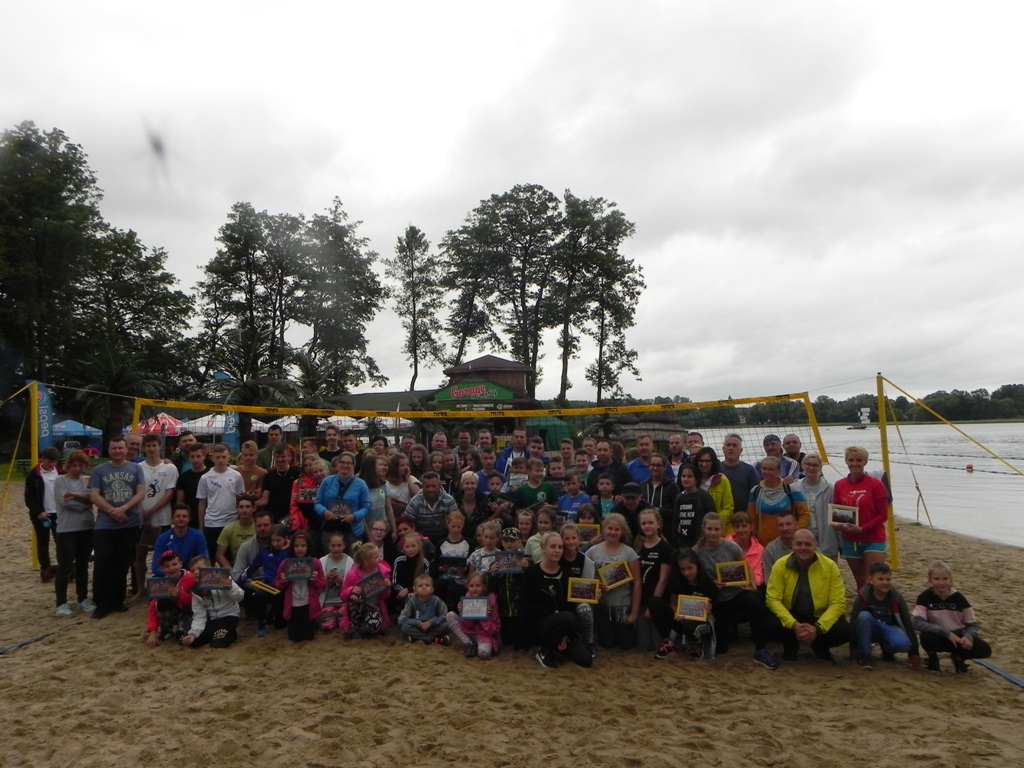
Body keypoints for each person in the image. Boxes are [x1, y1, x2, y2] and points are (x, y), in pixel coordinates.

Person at [695, 513, 779, 669]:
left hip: (735, 594)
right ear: (703, 529)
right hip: (716, 600)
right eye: (709, 529)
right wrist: (712, 584)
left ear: (722, 530)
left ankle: (760, 649)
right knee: (721, 648)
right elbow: (695, 578)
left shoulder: (731, 546)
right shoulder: (698, 551)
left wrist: (752, 584)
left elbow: (746, 566)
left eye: (716, 529)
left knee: (754, 601)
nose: (713, 532)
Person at [765, 528, 851, 663]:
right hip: (792, 615)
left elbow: (838, 603)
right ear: (792, 545)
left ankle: (819, 645)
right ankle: (791, 646)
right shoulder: (780, 565)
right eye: (799, 544)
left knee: (844, 630)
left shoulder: (830, 566)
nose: (803, 548)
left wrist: (818, 628)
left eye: (808, 544)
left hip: (819, 615)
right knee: (769, 624)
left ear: (816, 546)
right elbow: (772, 599)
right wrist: (793, 624)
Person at [89, 436, 146, 619]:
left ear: (126, 449)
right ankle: (102, 602)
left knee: (122, 562)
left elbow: (140, 492)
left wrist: (124, 508)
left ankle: (117, 599)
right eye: (114, 448)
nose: (118, 451)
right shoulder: (100, 470)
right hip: (106, 524)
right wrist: (112, 510)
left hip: (129, 522)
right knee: (102, 562)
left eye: (121, 448)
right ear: (109, 450)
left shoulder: (136, 468)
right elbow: (94, 495)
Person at [520, 532, 593, 668]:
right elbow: (526, 606)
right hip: (538, 625)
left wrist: (564, 632)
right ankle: (545, 650)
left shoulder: (567, 574)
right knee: (568, 617)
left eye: (560, 547)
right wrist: (556, 615)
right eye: (553, 546)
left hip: (564, 625)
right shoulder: (531, 573)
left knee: (585, 659)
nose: (557, 550)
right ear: (543, 548)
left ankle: (556, 645)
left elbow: (570, 605)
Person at [911, 561, 992, 673]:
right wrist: (944, 632)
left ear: (950, 579)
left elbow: (972, 625)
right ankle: (933, 658)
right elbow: (916, 622)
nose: (941, 583)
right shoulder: (924, 597)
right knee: (926, 637)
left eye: (945, 579)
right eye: (936, 579)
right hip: (937, 635)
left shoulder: (959, 599)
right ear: (930, 580)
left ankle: (959, 657)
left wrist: (968, 637)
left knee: (985, 649)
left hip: (957, 636)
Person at [832, 446, 889, 587]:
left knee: (872, 580)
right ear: (846, 461)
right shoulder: (839, 485)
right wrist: (839, 525)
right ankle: (862, 601)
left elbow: (883, 515)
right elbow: (838, 513)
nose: (855, 463)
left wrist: (863, 528)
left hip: (873, 538)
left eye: (859, 460)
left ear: (865, 462)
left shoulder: (876, 484)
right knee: (860, 582)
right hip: (850, 539)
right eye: (851, 460)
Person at [586, 513, 642, 650]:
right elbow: (585, 579)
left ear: (622, 531)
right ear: (604, 529)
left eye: (617, 529)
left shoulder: (629, 553)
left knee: (626, 644)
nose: (613, 532)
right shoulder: (592, 552)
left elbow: (637, 584)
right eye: (610, 528)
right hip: (602, 605)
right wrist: (596, 585)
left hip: (622, 605)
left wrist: (634, 612)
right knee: (607, 643)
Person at [850, 562, 920, 669]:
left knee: (903, 644)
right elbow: (853, 619)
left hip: (889, 628)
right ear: (871, 580)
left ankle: (887, 650)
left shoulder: (896, 597)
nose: (885, 582)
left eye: (888, 579)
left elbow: (907, 622)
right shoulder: (864, 595)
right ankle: (865, 655)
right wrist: (853, 647)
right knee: (863, 616)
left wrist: (914, 653)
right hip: (869, 628)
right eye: (880, 579)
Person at [655, 548, 719, 660]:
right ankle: (667, 642)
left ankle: (695, 644)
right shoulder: (677, 581)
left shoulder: (708, 584)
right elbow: (672, 603)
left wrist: (709, 608)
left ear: (697, 565)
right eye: (682, 569)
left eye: (690, 568)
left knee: (690, 624)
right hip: (681, 620)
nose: (686, 573)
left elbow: (714, 608)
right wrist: (676, 612)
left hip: (702, 623)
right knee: (655, 602)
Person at [52, 450, 95, 615]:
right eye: (74, 465)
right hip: (67, 529)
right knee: (65, 566)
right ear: (68, 465)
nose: (77, 468)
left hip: (86, 528)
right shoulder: (60, 480)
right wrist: (85, 504)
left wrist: (81, 497)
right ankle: (61, 602)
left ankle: (82, 598)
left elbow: (94, 496)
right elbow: (65, 501)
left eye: (81, 465)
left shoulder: (87, 481)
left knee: (83, 566)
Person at [181, 555, 244, 649]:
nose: (196, 572)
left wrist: (230, 588)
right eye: (193, 571)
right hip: (212, 619)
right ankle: (212, 634)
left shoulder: (222, 578)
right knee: (194, 642)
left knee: (218, 643)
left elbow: (240, 597)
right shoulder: (195, 590)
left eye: (199, 568)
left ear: (210, 568)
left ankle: (234, 632)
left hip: (229, 615)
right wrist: (193, 634)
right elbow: (199, 615)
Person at [273, 530, 326, 643]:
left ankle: (315, 624)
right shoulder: (285, 563)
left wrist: (315, 580)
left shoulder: (315, 563)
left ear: (308, 546)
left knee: (308, 637)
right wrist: (283, 580)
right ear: (292, 547)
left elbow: (323, 584)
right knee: (294, 637)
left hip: (309, 606)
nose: (299, 549)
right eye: (296, 546)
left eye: (303, 545)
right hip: (292, 607)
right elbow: (277, 584)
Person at [196, 443, 246, 557]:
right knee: (211, 556)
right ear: (212, 458)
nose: (221, 460)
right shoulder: (205, 478)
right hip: (212, 522)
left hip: (231, 521)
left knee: (230, 556)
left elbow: (240, 499)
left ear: (229, 457)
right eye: (218, 457)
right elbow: (202, 503)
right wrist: (201, 526)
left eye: (224, 457)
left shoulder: (236, 476)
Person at [634, 509, 673, 652]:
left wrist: (652, 607)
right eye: (643, 523)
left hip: (657, 602)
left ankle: (671, 636)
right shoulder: (637, 546)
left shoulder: (665, 547)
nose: (647, 526)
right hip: (641, 601)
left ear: (659, 524)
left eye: (650, 522)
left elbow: (663, 580)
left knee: (657, 644)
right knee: (644, 644)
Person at [747, 456, 809, 546]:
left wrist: (796, 531)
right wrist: (753, 537)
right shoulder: (755, 491)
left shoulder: (790, 490)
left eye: (771, 469)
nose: (767, 472)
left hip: (788, 542)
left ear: (779, 471)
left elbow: (805, 514)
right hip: (763, 543)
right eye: (764, 468)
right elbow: (752, 518)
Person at [243, 523, 290, 636]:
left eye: (278, 540)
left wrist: (284, 552)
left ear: (286, 539)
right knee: (258, 595)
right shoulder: (264, 553)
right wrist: (238, 581)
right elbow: (251, 568)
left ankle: (272, 614)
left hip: (283, 589)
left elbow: (284, 565)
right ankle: (261, 623)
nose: (275, 543)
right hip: (268, 587)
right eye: (273, 540)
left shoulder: (290, 553)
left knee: (280, 625)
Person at [793, 452, 839, 562]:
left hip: (825, 536)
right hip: (803, 534)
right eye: (808, 464)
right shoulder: (794, 487)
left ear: (820, 468)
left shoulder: (829, 488)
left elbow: (836, 514)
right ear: (803, 466)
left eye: (815, 465)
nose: (811, 467)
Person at [25, 446, 62, 582]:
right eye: (49, 462)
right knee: (43, 542)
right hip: (42, 514)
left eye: (54, 462)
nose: (52, 465)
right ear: (42, 459)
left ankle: (65, 568)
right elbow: (29, 497)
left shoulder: (60, 472)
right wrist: (38, 511)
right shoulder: (33, 475)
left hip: (59, 513)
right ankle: (45, 568)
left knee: (61, 541)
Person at [340, 543, 392, 638]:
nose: (379, 559)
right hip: (358, 609)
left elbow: (385, 597)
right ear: (366, 561)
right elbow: (342, 595)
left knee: (374, 626)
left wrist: (387, 587)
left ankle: (365, 628)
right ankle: (355, 627)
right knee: (355, 597)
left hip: (374, 608)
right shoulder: (352, 574)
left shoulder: (383, 572)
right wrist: (351, 589)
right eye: (376, 557)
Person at [143, 551, 194, 646]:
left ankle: (182, 630)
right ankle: (166, 630)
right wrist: (152, 632)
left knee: (181, 636)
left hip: (189, 613)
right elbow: (153, 607)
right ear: (162, 569)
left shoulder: (191, 578)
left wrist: (181, 595)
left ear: (180, 564)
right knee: (161, 602)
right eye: (167, 566)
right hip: (173, 613)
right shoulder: (161, 584)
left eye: (174, 564)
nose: (171, 568)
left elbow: (198, 602)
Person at [446, 571, 501, 659]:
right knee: (450, 615)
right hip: (469, 634)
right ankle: (469, 644)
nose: (474, 589)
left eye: (478, 586)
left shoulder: (491, 600)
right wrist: (463, 612)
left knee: (484, 653)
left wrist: (485, 616)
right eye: (471, 586)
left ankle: (478, 646)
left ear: (484, 586)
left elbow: (495, 629)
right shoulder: (468, 597)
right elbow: (467, 626)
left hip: (484, 636)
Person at [152, 504, 209, 577]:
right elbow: (155, 567)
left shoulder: (198, 536)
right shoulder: (162, 538)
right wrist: (174, 573)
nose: (181, 519)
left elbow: (204, 561)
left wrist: (187, 575)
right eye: (178, 516)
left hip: (192, 575)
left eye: (184, 516)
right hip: (170, 575)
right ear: (172, 519)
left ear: (189, 519)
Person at [404, 472, 459, 547]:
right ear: (422, 487)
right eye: (427, 486)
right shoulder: (414, 502)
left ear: (439, 486)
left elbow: (456, 522)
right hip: (421, 542)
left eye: (433, 486)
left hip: (445, 540)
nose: (430, 489)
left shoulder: (449, 500)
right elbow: (407, 524)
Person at [670, 465, 717, 549]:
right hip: (682, 542)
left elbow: (713, 518)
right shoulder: (679, 497)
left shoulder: (704, 496)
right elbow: (675, 522)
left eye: (689, 476)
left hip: (700, 543)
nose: (685, 479)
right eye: (683, 476)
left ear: (696, 479)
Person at [398, 574, 451, 645]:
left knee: (447, 625)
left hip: (433, 627)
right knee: (404, 628)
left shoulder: (437, 601)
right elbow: (401, 618)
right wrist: (417, 623)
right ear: (415, 590)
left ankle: (416, 637)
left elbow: (445, 617)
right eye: (420, 586)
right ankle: (433, 639)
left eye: (427, 585)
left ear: (432, 589)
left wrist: (431, 622)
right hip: (417, 627)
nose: (424, 587)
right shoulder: (411, 601)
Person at [692, 447, 734, 533]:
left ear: (713, 462)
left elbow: (728, 508)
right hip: (695, 529)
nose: (704, 464)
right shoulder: (692, 479)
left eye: (707, 461)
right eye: (701, 461)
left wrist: (713, 524)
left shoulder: (722, 480)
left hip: (717, 531)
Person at [319, 532, 354, 632]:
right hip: (327, 601)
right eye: (333, 546)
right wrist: (326, 578)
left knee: (343, 623)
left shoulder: (350, 561)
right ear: (328, 546)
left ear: (344, 545)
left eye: (339, 545)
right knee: (328, 626)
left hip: (343, 602)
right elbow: (317, 584)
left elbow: (353, 584)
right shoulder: (322, 561)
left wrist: (341, 580)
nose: (336, 548)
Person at [719, 434, 760, 517]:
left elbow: (756, 495)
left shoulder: (750, 470)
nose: (731, 448)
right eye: (728, 445)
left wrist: (747, 515)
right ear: (723, 449)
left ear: (741, 450)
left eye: (734, 445)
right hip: (721, 516)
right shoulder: (715, 469)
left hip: (744, 517)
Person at [438, 511, 471, 609]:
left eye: (459, 527)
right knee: (440, 584)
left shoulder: (469, 543)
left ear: (463, 526)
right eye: (453, 526)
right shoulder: (441, 543)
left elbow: (472, 564)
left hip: (462, 580)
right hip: (445, 577)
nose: (456, 530)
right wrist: (441, 568)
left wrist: (465, 570)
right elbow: (436, 564)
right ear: (447, 525)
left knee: (454, 589)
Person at [174, 443, 210, 528]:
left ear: (204, 456)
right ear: (189, 458)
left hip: (209, 517)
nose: (195, 459)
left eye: (198, 456)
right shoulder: (183, 477)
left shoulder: (211, 475)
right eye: (192, 457)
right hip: (189, 519)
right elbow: (180, 501)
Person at [262, 443, 299, 524]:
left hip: (292, 514)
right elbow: (265, 499)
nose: (280, 459)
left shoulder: (297, 473)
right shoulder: (269, 475)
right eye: (277, 457)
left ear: (288, 456)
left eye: (283, 457)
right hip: (274, 516)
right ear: (274, 457)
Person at [727, 511, 765, 588]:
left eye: (744, 526)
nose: (740, 530)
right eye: (737, 526)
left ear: (751, 527)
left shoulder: (760, 549)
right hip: (729, 586)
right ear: (733, 528)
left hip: (751, 586)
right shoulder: (725, 545)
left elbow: (759, 576)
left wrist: (747, 584)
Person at [215, 498, 257, 567]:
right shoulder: (229, 528)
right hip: (236, 567)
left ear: (254, 508)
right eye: (241, 507)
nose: (244, 510)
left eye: (247, 506)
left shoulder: (260, 527)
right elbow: (219, 555)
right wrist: (231, 571)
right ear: (236, 509)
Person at [761, 509, 799, 581]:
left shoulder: (806, 545)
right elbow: (769, 580)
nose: (785, 528)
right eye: (781, 525)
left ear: (796, 525)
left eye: (788, 524)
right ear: (777, 528)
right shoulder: (770, 549)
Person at [641, 455, 678, 522]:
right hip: (646, 524)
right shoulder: (643, 485)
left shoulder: (672, 486)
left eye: (658, 465)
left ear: (664, 467)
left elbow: (677, 509)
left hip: (666, 525)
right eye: (653, 465)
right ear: (649, 466)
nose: (655, 468)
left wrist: (661, 511)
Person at [384, 452, 420, 518]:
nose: (405, 468)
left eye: (407, 465)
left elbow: (417, 495)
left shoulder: (411, 479)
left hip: (408, 515)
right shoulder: (386, 484)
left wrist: (408, 479)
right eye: (402, 465)